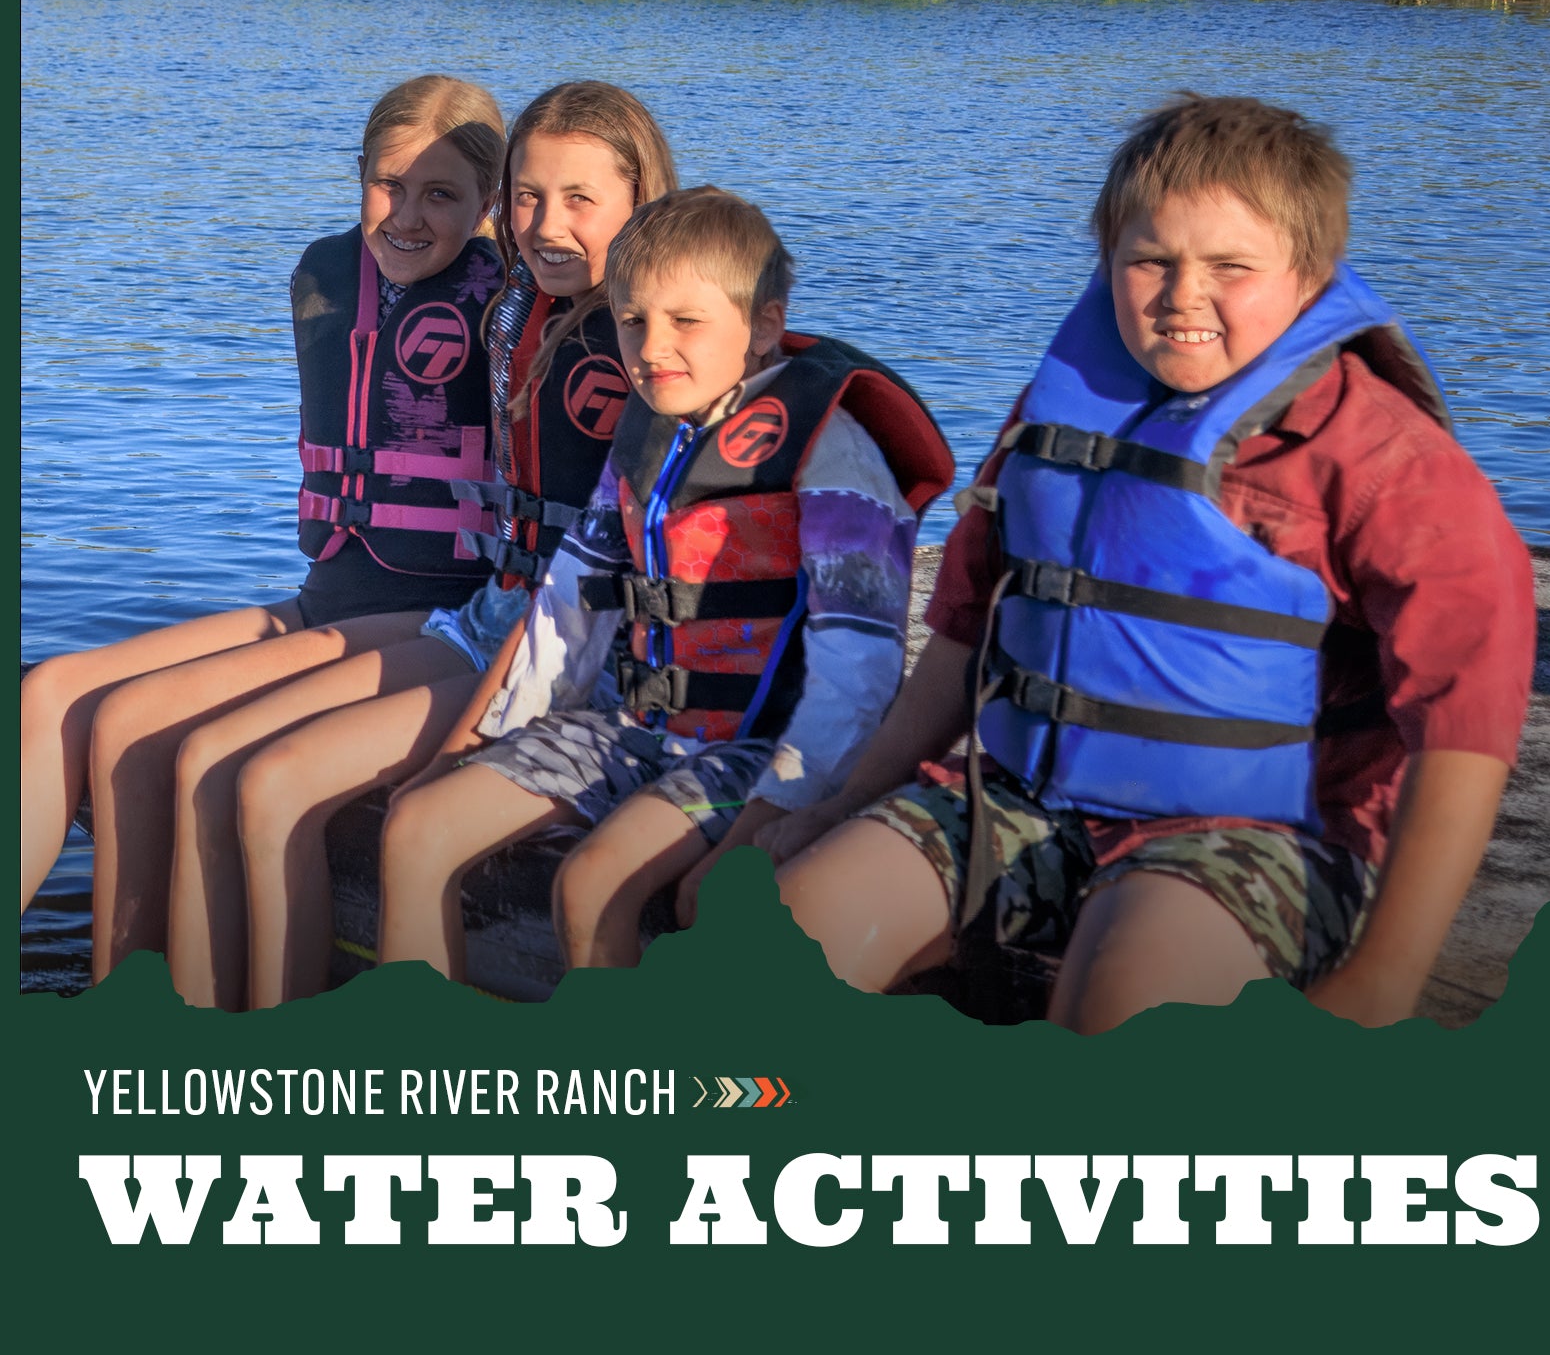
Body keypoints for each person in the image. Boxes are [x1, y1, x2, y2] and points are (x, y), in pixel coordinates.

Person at [763, 92, 1535, 1033]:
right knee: (775, 948)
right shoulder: (1059, 413)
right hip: (1019, 801)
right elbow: (965, 635)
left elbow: (1465, 723)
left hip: (1258, 835)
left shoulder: (1383, 458)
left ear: (1311, 275)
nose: (1182, 295)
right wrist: (845, 802)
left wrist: (1387, 973)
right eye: (1150, 261)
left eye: (1230, 267)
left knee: (1120, 1007)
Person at [376, 186, 955, 982]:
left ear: (763, 325)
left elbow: (857, 671)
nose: (652, 348)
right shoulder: (650, 430)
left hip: (764, 753)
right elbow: (572, 603)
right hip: (637, 727)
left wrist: (772, 816)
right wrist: (480, 742)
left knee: (592, 882)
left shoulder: (832, 448)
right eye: (632, 319)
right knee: (414, 827)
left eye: (686, 321)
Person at [213, 82, 677, 1009]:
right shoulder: (515, 312)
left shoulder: (655, 347)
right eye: (529, 197)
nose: (547, 224)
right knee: (255, 772)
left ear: (642, 203)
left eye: (580, 200)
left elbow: (589, 589)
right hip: (494, 618)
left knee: (327, 796)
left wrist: (458, 747)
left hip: (588, 656)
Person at [20, 74, 504, 953]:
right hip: (325, 596)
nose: (406, 215)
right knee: (53, 691)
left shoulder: (511, 304)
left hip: (436, 613)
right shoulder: (328, 274)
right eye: (389, 184)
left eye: (441, 195)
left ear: (489, 202)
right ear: (359, 172)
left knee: (159, 736)